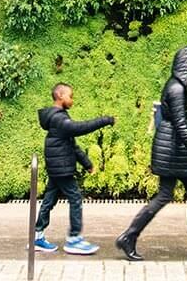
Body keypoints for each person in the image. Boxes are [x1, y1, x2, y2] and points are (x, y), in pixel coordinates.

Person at [115, 46, 187, 262]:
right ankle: (129, 236)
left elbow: (181, 119)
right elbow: (179, 124)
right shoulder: (176, 89)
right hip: (172, 149)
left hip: (176, 149)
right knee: (165, 196)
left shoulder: (179, 87)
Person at [33, 82, 114, 255]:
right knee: (75, 198)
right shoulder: (59, 119)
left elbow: (73, 146)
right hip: (61, 168)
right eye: (71, 96)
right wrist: (105, 120)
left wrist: (88, 165)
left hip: (57, 167)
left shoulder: (59, 117)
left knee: (49, 200)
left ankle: (37, 237)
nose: (72, 99)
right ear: (60, 96)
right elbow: (80, 128)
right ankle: (74, 239)